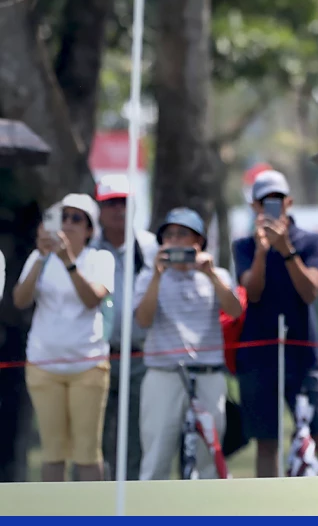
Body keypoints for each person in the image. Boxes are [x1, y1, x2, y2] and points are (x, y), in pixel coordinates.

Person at [6, 194, 114, 481]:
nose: (67, 223)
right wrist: (42, 258)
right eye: (63, 217)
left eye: (76, 219)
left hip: (88, 366)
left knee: (87, 454)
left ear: (90, 229)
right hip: (44, 365)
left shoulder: (100, 259)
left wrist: (68, 262)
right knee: (52, 453)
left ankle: (93, 518)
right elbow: (20, 300)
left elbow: (93, 299)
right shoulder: (39, 258)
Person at [231, 170, 318, 477]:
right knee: (266, 442)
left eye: (277, 201)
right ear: (254, 207)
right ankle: (268, 509)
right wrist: (263, 252)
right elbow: (253, 291)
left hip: (303, 354)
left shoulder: (312, 242)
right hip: (259, 356)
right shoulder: (244, 247)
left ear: (289, 202)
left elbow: (310, 291)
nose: (271, 208)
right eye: (264, 202)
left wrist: (286, 250)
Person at [133, 208, 240, 479]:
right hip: (164, 375)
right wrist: (157, 276)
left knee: (209, 462)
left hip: (208, 375)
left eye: (183, 235)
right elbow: (142, 320)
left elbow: (236, 311)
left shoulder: (218, 276)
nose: (175, 241)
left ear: (198, 242)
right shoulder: (148, 277)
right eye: (168, 236)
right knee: (156, 459)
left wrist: (211, 274)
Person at [92, 174, 158, 481]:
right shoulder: (88, 247)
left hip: (140, 356)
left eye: (124, 202)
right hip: (97, 356)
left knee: (136, 438)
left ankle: (129, 508)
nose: (118, 210)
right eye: (111, 203)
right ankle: (95, 508)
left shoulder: (149, 246)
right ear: (100, 209)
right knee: (95, 441)